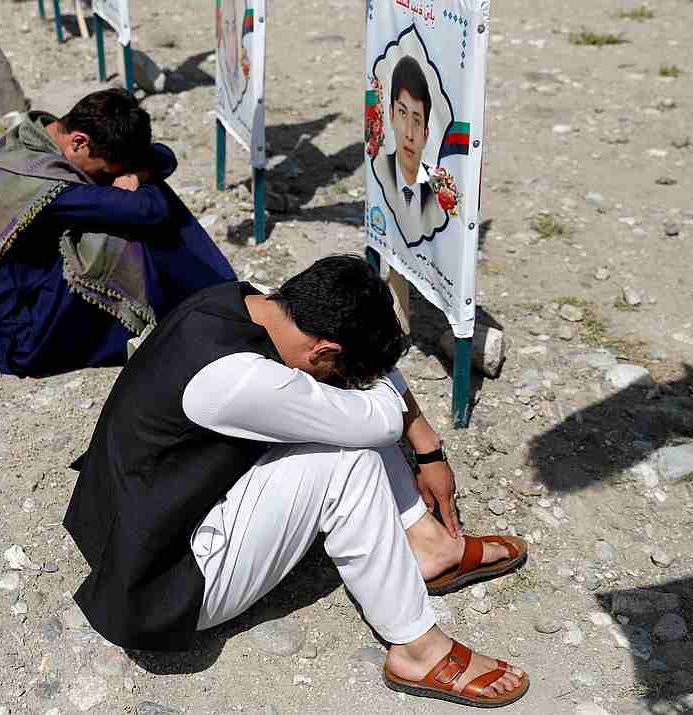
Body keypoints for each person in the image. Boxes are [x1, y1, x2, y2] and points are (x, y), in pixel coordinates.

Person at [64, 255, 530, 708]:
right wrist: (407, 424)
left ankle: (427, 546)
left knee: (342, 403)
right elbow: (381, 421)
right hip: (164, 580)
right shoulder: (237, 381)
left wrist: (422, 439)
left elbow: (362, 378)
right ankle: (417, 649)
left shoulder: (253, 300)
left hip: (136, 513)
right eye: (335, 360)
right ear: (324, 348)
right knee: (351, 458)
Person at [0, 88, 235, 377]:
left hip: (43, 284)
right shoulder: (47, 182)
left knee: (141, 196)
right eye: (104, 170)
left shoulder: (40, 135)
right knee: (133, 218)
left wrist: (136, 174)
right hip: (28, 325)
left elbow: (162, 156)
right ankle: (203, 305)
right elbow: (148, 209)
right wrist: (140, 177)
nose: (105, 176)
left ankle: (207, 300)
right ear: (79, 142)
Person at [371, 55, 449, 244]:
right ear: (390, 115)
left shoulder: (437, 193)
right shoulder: (379, 171)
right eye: (402, 113)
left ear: (426, 133)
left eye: (416, 121)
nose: (409, 133)